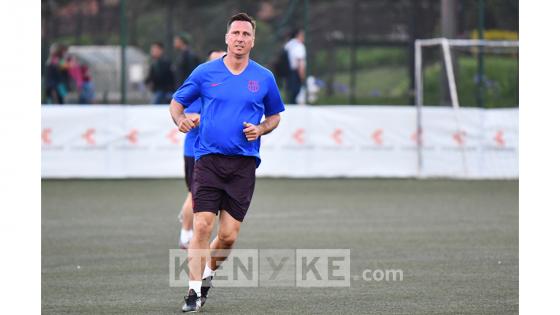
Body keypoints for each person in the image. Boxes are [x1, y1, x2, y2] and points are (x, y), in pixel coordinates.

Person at [169, 12, 285, 312]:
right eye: (235, 33)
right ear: (226, 37)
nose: (240, 39)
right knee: (203, 224)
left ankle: (207, 274)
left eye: (246, 34)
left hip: (243, 165)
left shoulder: (264, 78)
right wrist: (180, 119)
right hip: (207, 159)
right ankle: (193, 293)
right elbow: (176, 103)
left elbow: (274, 116)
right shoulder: (205, 72)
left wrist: (260, 128)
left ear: (253, 40)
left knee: (229, 236)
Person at [178, 49, 227, 250]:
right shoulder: (203, 85)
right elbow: (188, 116)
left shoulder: (225, 87)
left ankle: (190, 232)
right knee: (194, 194)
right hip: (197, 151)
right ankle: (185, 235)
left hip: (215, 151)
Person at [284, 28, 306, 104]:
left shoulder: (289, 44)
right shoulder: (299, 46)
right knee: (296, 92)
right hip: (296, 72)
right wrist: (302, 75)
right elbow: (299, 61)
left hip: (288, 71)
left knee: (290, 92)